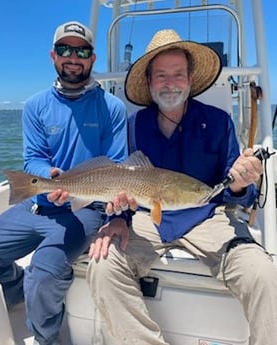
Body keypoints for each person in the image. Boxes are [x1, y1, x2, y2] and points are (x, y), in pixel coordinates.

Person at [87, 29, 277, 345]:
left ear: (190, 79)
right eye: (161, 75)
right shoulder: (133, 125)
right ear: (148, 82)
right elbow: (118, 179)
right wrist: (116, 218)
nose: (170, 83)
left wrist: (244, 184)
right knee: (102, 266)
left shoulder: (219, 122)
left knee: (263, 273)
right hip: (147, 219)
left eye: (178, 74)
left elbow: (232, 191)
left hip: (207, 215)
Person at [0, 21, 128, 345]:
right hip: (37, 203)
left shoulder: (112, 108)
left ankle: (47, 339)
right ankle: (15, 287)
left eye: (81, 51)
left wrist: (104, 202)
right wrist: (47, 176)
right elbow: (32, 158)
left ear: (92, 59)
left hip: (84, 209)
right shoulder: (35, 105)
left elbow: (116, 164)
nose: (72, 57)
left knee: (44, 275)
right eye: (65, 49)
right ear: (53, 55)